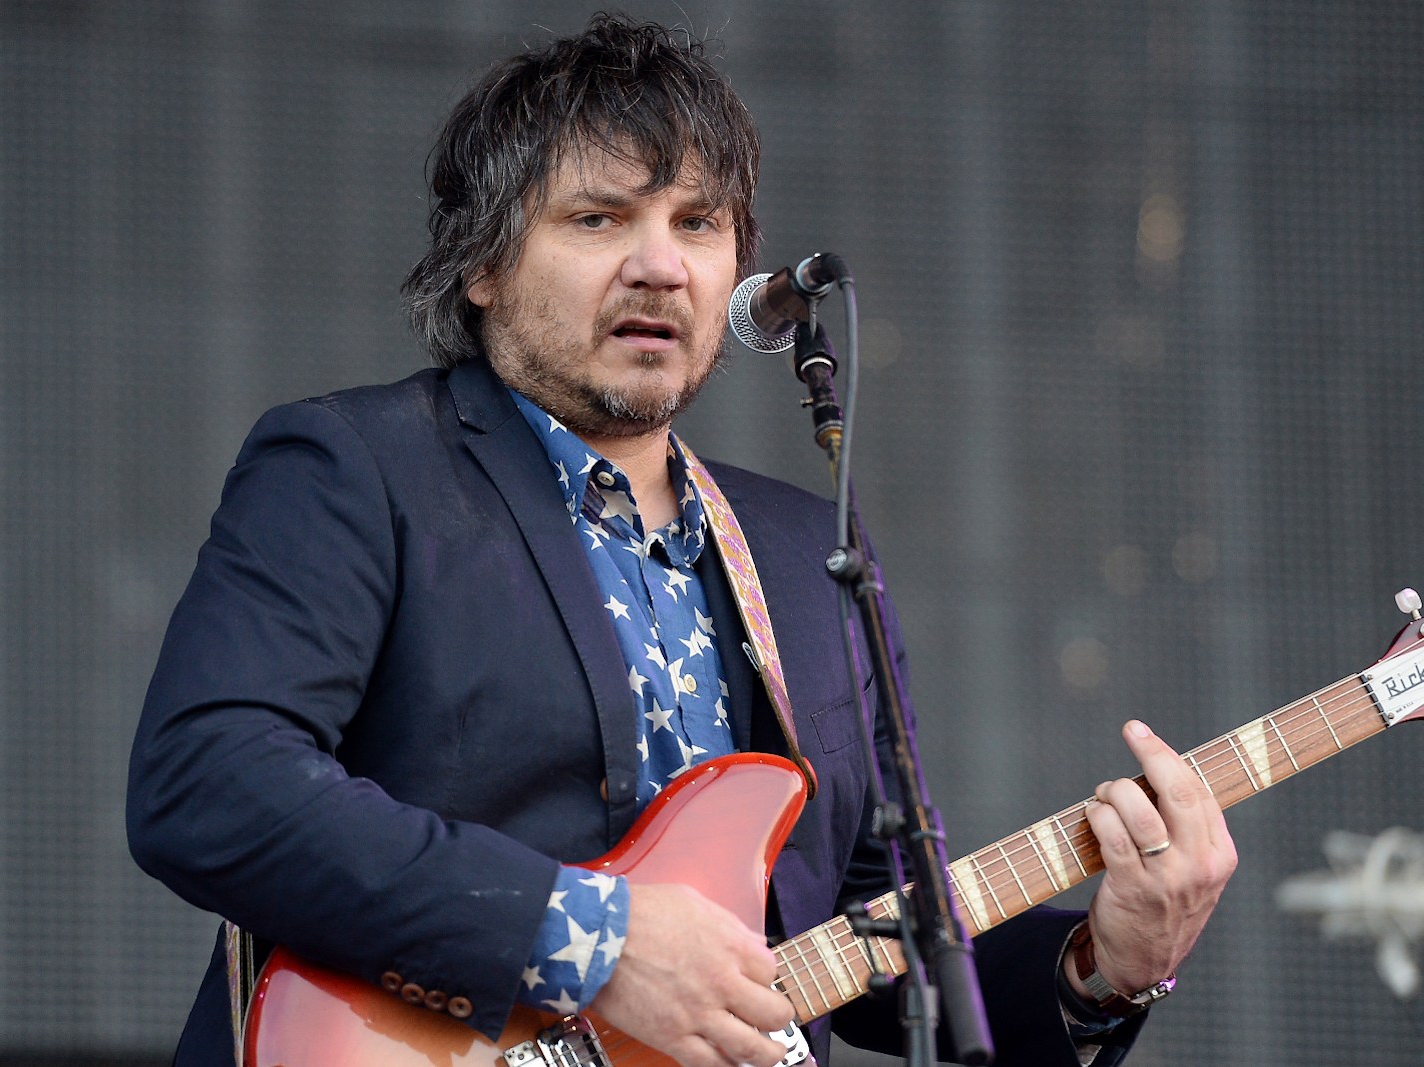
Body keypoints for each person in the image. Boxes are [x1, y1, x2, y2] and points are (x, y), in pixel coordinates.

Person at [125, 13, 1235, 1067]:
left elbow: (863, 934)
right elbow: (208, 782)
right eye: (598, 218)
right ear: (483, 264)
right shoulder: (359, 467)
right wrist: (593, 939)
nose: (660, 264)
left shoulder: (806, 552)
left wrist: (1100, 967)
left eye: (697, 223)